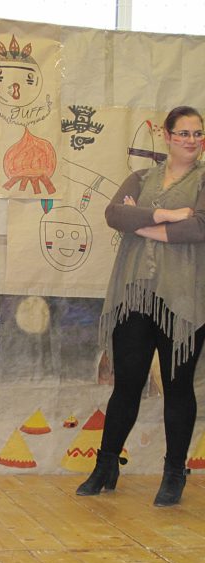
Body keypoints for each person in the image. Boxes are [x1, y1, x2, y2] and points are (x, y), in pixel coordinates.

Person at [76, 105, 205, 507]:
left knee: (178, 387)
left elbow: (200, 226)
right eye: (183, 133)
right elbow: (115, 213)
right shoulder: (141, 177)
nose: (191, 140)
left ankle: (173, 473)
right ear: (166, 136)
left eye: (197, 133)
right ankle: (106, 465)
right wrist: (167, 215)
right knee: (127, 384)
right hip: (133, 297)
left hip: (183, 301)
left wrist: (143, 225)